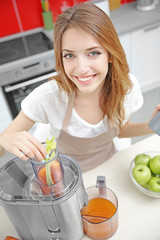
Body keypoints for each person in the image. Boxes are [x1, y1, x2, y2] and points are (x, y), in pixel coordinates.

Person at [0, 2, 159, 172]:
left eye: (93, 53)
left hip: (108, 167)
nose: (81, 68)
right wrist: (4, 140)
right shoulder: (48, 98)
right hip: (66, 176)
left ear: (110, 55)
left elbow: (121, 131)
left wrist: (152, 125)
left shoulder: (126, 87)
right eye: (69, 55)